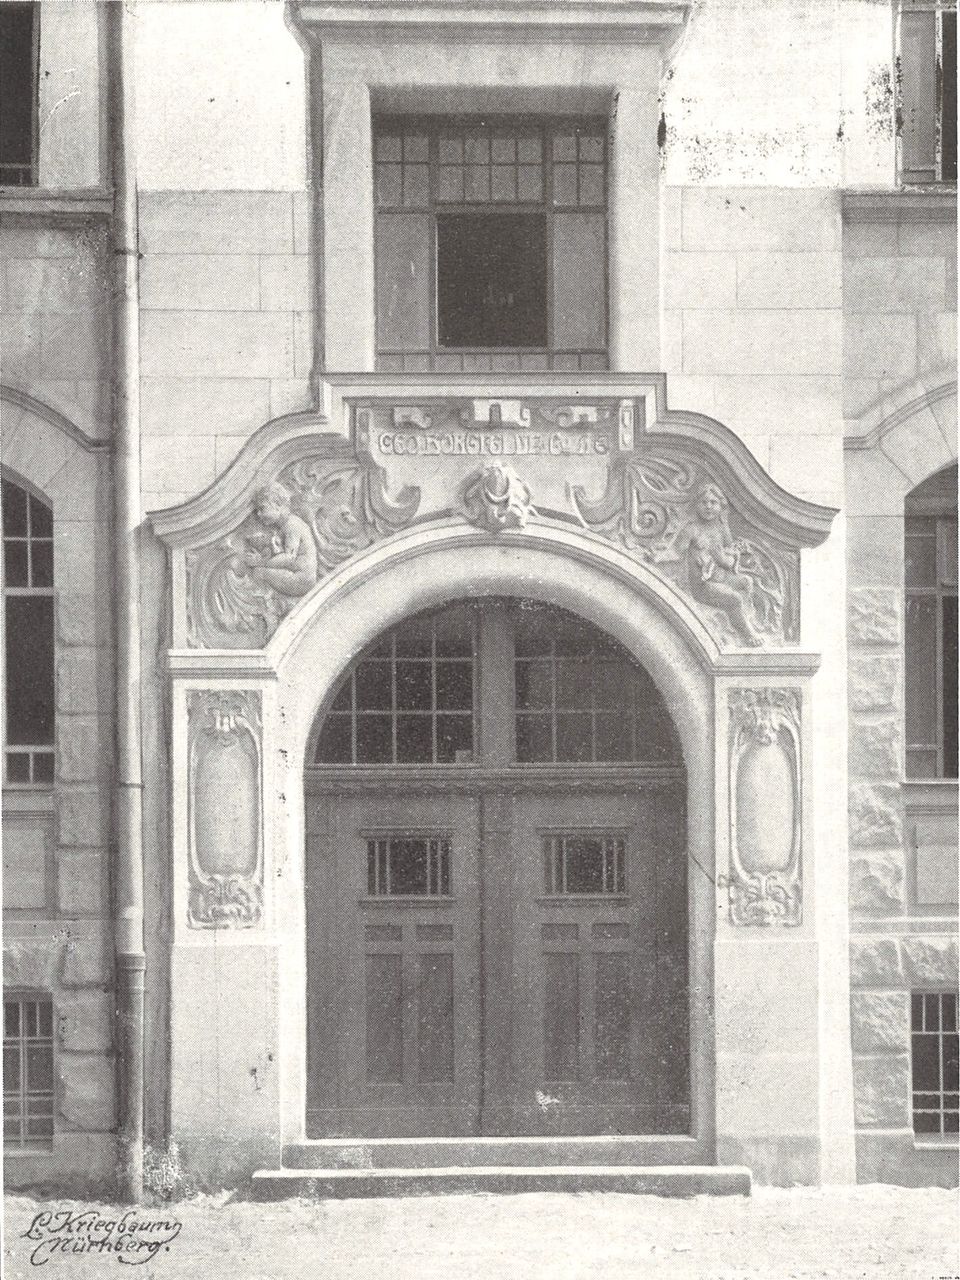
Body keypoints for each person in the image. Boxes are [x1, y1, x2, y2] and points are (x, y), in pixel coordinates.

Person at [685, 483, 764, 645]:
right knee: (734, 598)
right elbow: (675, 553)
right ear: (696, 505)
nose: (708, 506)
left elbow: (731, 558)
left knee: (747, 581)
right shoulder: (692, 529)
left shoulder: (722, 530)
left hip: (723, 577)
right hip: (702, 585)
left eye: (713, 502)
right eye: (704, 502)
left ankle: (744, 619)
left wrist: (722, 559)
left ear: (721, 506)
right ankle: (747, 633)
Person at [243, 481, 318, 598]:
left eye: (262, 508)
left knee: (259, 572)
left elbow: (289, 557)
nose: (258, 514)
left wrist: (261, 562)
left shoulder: (292, 525)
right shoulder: (284, 526)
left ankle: (264, 598)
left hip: (301, 580)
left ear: (277, 504)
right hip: (297, 575)